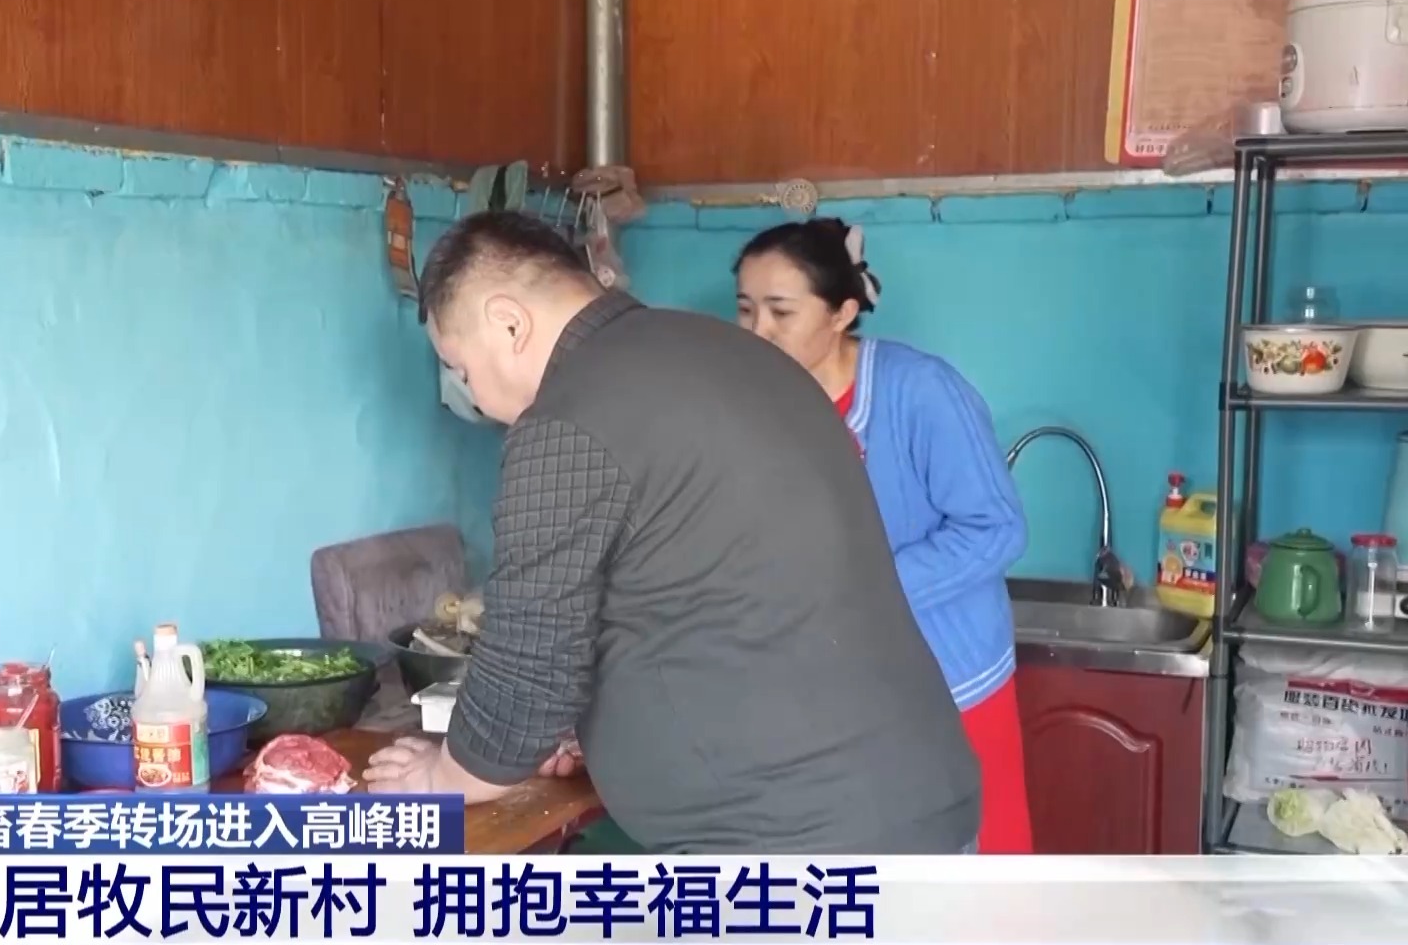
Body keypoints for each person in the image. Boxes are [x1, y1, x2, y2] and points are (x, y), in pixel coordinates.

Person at [363, 210, 981, 854]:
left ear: (510, 323)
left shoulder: (567, 418)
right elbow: (718, 594)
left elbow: (526, 674)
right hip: (916, 801)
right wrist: (598, 728)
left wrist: (441, 777)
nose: (478, 402)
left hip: (796, 846)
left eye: (463, 371)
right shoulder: (735, 354)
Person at [732, 217, 1033, 853]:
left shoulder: (918, 391)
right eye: (745, 309)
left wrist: (862, 589)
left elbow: (996, 529)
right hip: (838, 692)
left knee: (972, 870)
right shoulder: (763, 405)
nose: (757, 331)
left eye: (780, 312)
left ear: (841, 313)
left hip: (949, 681)